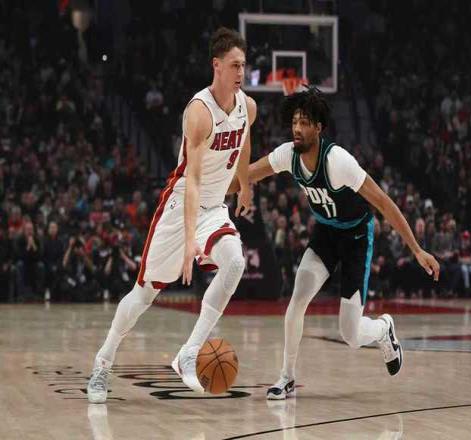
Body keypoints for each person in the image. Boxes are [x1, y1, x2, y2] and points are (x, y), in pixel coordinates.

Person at [229, 87, 440, 399]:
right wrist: (203, 190)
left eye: (304, 123)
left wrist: (417, 249)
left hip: (356, 237)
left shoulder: (338, 162)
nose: (297, 128)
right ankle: (287, 377)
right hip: (326, 234)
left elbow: (383, 203)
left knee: (351, 334)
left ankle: (383, 329)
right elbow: (246, 175)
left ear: (318, 127)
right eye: (294, 122)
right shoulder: (288, 154)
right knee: (297, 301)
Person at [87, 27, 256, 402]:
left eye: (243, 65)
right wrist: (189, 241)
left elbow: (245, 143)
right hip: (180, 207)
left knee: (234, 263)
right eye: (234, 65)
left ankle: (189, 353)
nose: (241, 72)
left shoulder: (248, 106)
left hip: (214, 208)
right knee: (143, 295)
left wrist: (245, 184)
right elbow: (192, 180)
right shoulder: (199, 112)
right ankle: (103, 361)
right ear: (216, 66)